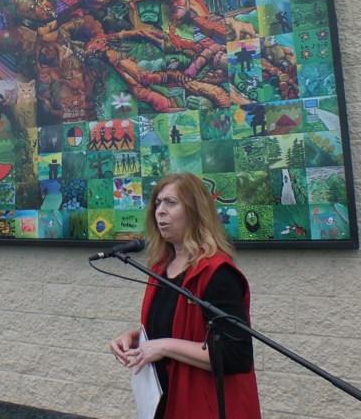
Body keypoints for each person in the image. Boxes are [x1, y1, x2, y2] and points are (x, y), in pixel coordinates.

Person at [109, 172, 261, 419]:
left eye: (171, 203)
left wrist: (164, 346)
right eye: (157, 203)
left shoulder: (217, 273)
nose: (160, 211)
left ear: (194, 211)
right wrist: (137, 339)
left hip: (203, 407)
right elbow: (178, 329)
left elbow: (236, 356)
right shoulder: (160, 269)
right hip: (163, 403)